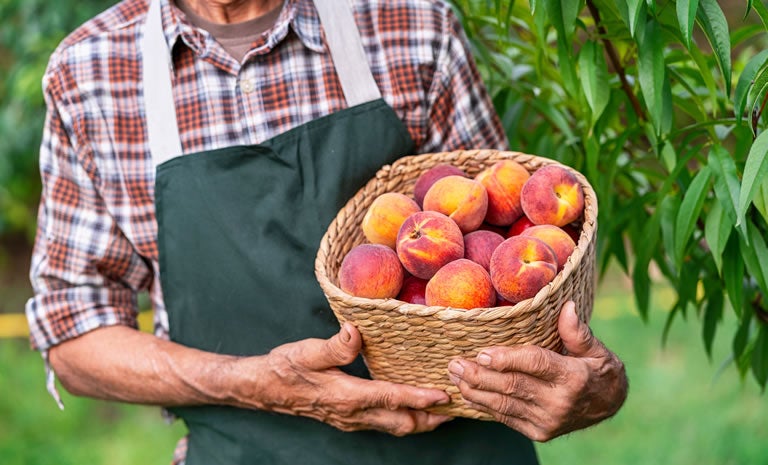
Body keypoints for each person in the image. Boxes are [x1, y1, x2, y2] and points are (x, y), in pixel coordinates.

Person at [25, 0, 628, 464]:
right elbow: (76, 335)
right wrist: (254, 384)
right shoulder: (91, 74)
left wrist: (591, 388)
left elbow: (508, 248)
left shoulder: (411, 23)